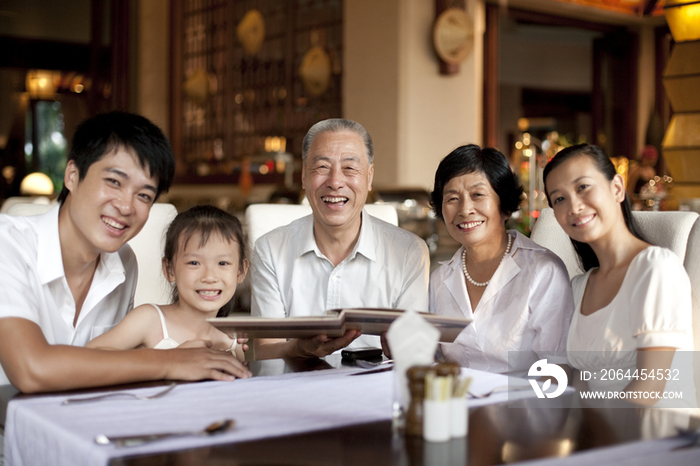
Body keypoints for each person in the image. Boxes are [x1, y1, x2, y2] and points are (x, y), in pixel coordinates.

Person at [0, 111, 251, 394]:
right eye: (114, 182)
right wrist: (170, 360)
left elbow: (108, 365)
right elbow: (31, 369)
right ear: (72, 175)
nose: (126, 206)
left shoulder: (124, 261)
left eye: (144, 195)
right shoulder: (7, 243)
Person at [250, 118, 430, 360]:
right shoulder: (270, 250)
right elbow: (263, 352)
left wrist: (404, 351)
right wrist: (299, 349)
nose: (335, 182)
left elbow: (415, 355)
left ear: (369, 177)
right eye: (322, 167)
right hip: (297, 392)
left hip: (377, 393)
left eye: (350, 168)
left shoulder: (409, 252)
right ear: (304, 176)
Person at [543, 143, 695, 407]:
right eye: (559, 199)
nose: (574, 206)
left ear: (617, 188)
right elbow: (580, 384)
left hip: (654, 435)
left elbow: (650, 386)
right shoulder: (580, 286)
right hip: (599, 433)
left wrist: (589, 440)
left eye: (583, 187)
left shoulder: (656, 267)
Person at [429, 145, 573, 373]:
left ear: (505, 205)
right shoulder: (438, 281)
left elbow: (557, 372)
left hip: (523, 406)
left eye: (478, 195)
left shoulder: (543, 272)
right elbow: (432, 362)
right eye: (452, 198)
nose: (465, 210)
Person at [87, 205, 248, 362]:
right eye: (194, 263)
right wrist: (167, 360)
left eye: (223, 263)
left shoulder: (234, 342)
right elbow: (87, 358)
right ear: (169, 269)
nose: (209, 277)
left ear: (240, 271)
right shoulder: (149, 320)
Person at [627, 145, 659, 210]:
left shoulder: (651, 171)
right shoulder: (636, 170)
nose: (652, 162)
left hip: (647, 205)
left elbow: (652, 189)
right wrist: (636, 202)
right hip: (635, 204)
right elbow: (629, 190)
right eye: (650, 160)